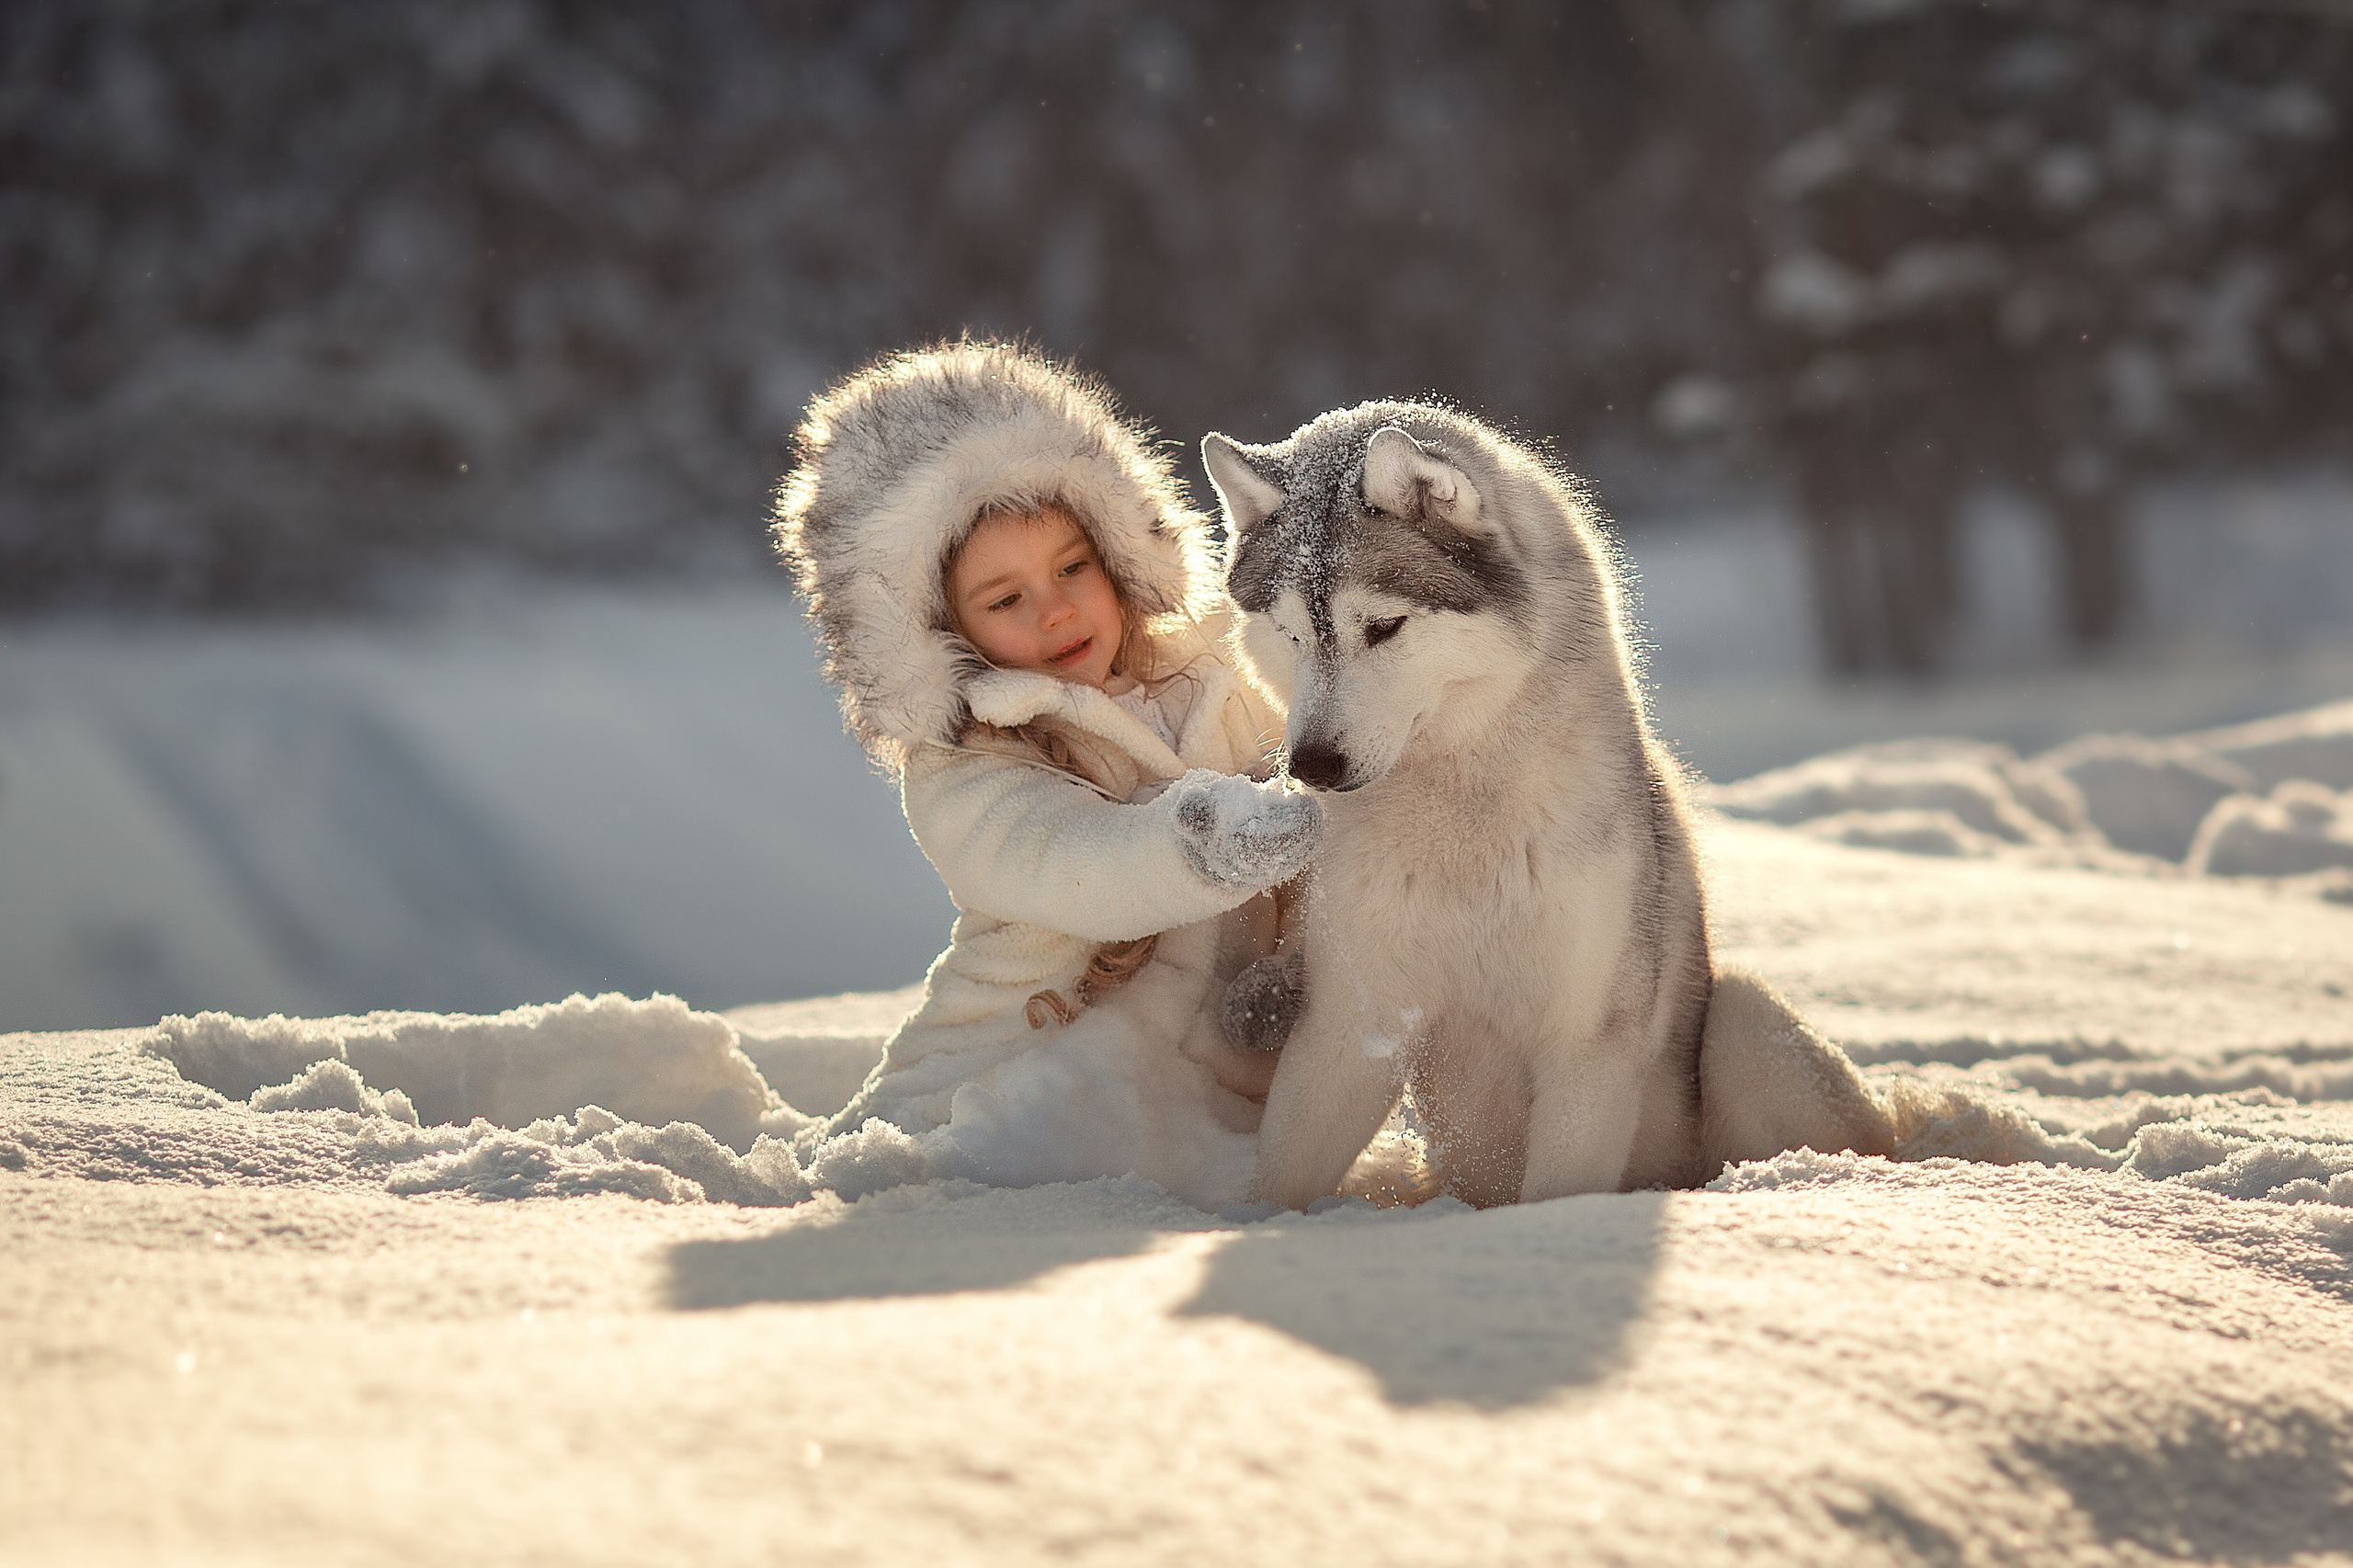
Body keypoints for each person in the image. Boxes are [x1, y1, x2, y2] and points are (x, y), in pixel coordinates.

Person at [772, 340, 1317, 1206]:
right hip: (1001, 1083)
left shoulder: (1220, 666)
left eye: (1072, 568)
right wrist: (1204, 846)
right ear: (939, 630)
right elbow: (1071, 864)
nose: (1056, 609)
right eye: (1005, 599)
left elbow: (1329, 759)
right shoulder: (968, 768)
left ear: (1118, 554)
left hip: (1210, 1093)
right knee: (1019, 1162)